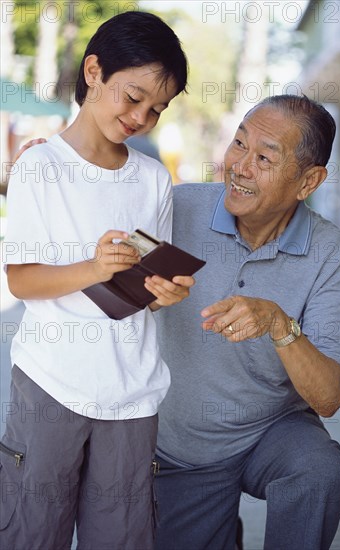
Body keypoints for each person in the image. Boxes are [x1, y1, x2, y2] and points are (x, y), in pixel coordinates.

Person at [0, 11, 194, 550]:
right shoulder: (40, 168)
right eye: (132, 97)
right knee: (33, 532)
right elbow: (21, 281)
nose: (141, 116)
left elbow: (147, 282)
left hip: (133, 395)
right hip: (51, 384)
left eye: (156, 109)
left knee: (124, 536)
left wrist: (165, 294)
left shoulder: (154, 178)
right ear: (93, 71)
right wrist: (93, 267)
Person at [154, 95, 340, 550]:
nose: (240, 166)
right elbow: (99, 246)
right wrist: (40, 170)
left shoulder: (331, 252)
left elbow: (329, 398)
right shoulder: (177, 208)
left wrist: (278, 322)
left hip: (270, 432)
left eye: (264, 157)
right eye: (238, 144)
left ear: (309, 181)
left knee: (320, 473)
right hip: (183, 449)